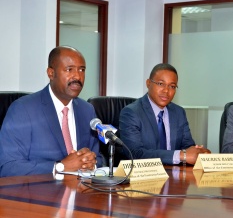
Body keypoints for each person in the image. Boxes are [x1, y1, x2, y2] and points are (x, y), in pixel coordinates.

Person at [0, 46, 102, 177]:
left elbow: (98, 157)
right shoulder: (23, 109)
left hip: (81, 193)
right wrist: (59, 167)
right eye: (69, 69)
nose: (77, 76)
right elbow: (8, 166)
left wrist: (91, 162)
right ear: (51, 73)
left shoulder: (87, 110)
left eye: (82, 70)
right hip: (38, 194)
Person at [119, 63, 211, 165]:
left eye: (172, 86)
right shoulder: (132, 113)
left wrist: (198, 152)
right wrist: (180, 155)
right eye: (160, 84)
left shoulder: (178, 112)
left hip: (175, 175)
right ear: (148, 83)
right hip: (145, 177)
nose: (166, 90)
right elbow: (135, 154)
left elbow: (187, 146)